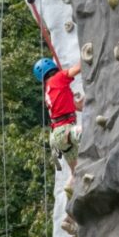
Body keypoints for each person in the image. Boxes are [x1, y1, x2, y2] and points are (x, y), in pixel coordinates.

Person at [33, 57, 83, 210]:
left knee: (76, 174)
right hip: (65, 130)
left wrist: (80, 104)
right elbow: (79, 68)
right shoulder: (59, 78)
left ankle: (69, 216)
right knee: (89, 132)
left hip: (57, 136)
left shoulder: (50, 87)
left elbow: (75, 107)